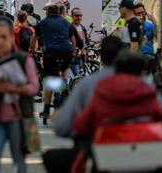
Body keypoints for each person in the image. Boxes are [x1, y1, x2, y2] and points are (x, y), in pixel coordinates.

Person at [44, 36, 129, 172]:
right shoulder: (142, 84)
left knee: (51, 158)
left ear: (101, 56)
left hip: (97, 151)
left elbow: (62, 126)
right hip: (135, 151)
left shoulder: (88, 84)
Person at [0, 19, 39, 173]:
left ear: (11, 37)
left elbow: (34, 87)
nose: (0, 41)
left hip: (18, 119)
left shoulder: (24, 60)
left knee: (19, 160)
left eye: (4, 37)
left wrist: (13, 88)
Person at [73, 53, 162, 137]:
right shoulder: (147, 92)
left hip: (107, 149)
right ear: (141, 73)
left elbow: (80, 124)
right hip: (143, 149)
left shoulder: (103, 91)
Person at [30, 4, 75, 120]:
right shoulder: (66, 22)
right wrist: (73, 51)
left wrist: (32, 50)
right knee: (65, 69)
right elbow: (73, 38)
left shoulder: (43, 22)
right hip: (66, 52)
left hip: (50, 53)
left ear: (47, 12)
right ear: (59, 12)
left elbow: (34, 37)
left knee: (49, 79)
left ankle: (46, 109)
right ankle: (63, 86)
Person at [70, 7, 89, 76]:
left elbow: (85, 41)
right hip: (74, 57)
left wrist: (86, 52)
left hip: (82, 56)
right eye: (76, 16)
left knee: (81, 75)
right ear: (72, 16)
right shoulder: (70, 28)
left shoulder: (83, 27)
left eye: (80, 15)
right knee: (76, 77)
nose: (79, 17)